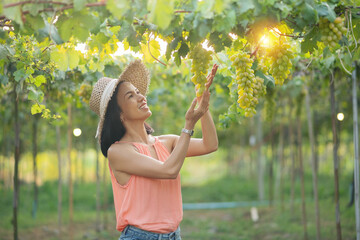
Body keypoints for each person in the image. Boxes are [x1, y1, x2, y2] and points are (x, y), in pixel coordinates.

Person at [89, 59, 218, 240]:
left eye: (138, 92)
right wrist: (189, 124)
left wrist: (202, 104)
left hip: (174, 235)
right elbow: (169, 170)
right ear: (120, 114)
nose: (141, 97)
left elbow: (209, 144)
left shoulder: (165, 142)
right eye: (130, 96)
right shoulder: (118, 152)